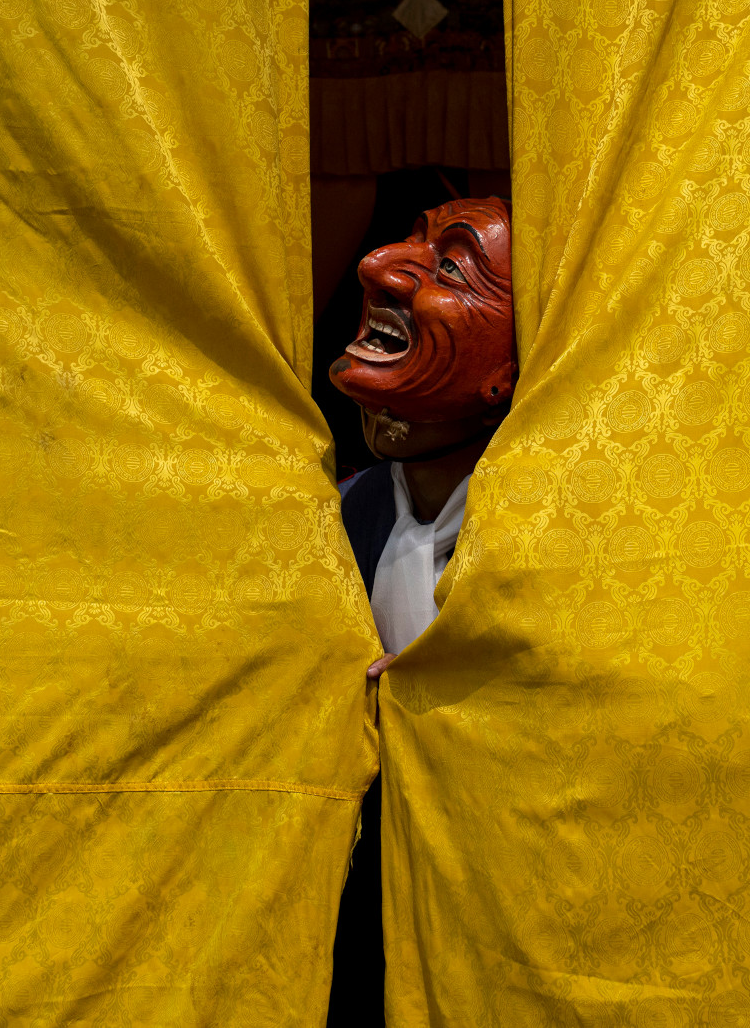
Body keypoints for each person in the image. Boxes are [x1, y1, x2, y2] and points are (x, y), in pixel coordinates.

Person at [324, 196, 515, 1025]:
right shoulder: (339, 517)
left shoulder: (537, 534)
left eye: (450, 266)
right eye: (403, 246)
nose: (379, 270)